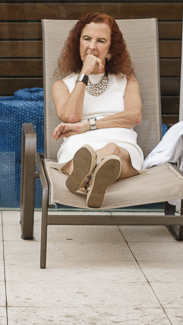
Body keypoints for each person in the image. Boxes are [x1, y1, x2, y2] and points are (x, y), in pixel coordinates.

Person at [50, 13, 144, 208]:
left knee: (113, 151)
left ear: (111, 49)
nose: (92, 46)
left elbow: (134, 116)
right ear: (78, 44)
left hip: (121, 145)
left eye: (101, 41)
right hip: (79, 147)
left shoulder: (126, 80)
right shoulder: (62, 85)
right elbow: (71, 116)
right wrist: (84, 73)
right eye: (86, 39)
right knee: (84, 155)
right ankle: (95, 180)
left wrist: (88, 125)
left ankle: (86, 180)